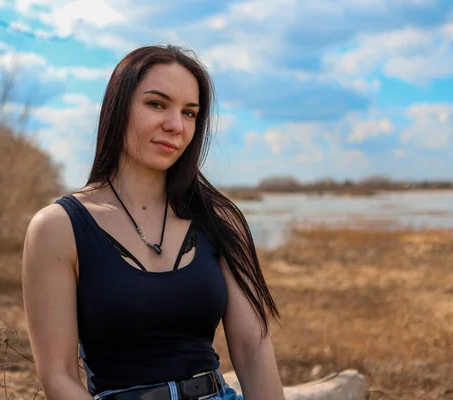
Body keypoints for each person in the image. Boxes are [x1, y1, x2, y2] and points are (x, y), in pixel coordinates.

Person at [22, 44, 285, 400]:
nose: (175, 125)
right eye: (157, 104)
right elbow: (58, 376)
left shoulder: (219, 220)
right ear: (118, 108)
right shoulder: (58, 228)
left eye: (190, 113)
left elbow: (253, 349)